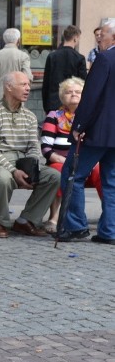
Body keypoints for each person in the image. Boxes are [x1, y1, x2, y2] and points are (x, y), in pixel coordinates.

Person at [0, 71, 59, 238]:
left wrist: (33, 168)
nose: (28, 88)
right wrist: (13, 170)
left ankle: (26, 220)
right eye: (23, 85)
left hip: (23, 163)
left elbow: (33, 147)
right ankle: (1, 222)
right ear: (8, 87)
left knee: (54, 176)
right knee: (3, 178)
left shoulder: (29, 116)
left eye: (29, 85)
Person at [58, 21, 115, 244]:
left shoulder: (104, 59)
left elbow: (91, 96)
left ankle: (75, 226)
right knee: (111, 181)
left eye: (103, 35)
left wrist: (79, 125)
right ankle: (110, 231)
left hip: (98, 131)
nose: (99, 38)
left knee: (73, 174)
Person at [40, 78, 102, 234]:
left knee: (102, 172)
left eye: (78, 92)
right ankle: (54, 218)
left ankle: (109, 216)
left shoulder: (92, 117)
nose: (73, 95)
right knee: (61, 171)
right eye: (69, 92)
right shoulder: (54, 116)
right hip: (59, 160)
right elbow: (46, 148)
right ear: (62, 97)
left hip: (87, 162)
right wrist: (63, 160)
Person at [42, 25, 87, 114]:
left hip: (53, 103)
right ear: (75, 38)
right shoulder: (79, 58)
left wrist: (46, 106)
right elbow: (83, 82)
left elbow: (46, 83)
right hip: (72, 103)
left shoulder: (52, 56)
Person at [0, 28, 33, 105]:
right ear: (18, 40)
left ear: (4, 40)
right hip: (17, 97)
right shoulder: (23, 56)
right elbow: (27, 77)